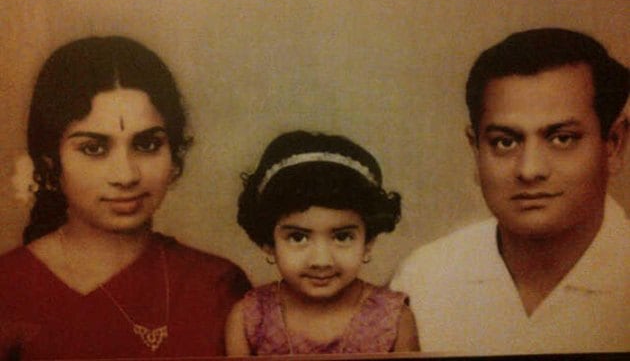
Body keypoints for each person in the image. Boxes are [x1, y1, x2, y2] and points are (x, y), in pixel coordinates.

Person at [0, 36, 251, 359]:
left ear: (175, 157)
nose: (126, 175)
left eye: (147, 145)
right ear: (51, 163)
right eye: (94, 148)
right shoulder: (10, 288)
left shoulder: (217, 285)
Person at [391, 28, 629, 355]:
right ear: (475, 149)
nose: (529, 170)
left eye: (562, 138)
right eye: (505, 142)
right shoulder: (423, 279)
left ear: (614, 145)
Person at [225, 131, 419, 355]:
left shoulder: (395, 320)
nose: (321, 260)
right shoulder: (248, 319)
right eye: (298, 237)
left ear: (368, 242)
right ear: (268, 243)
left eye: (342, 237)